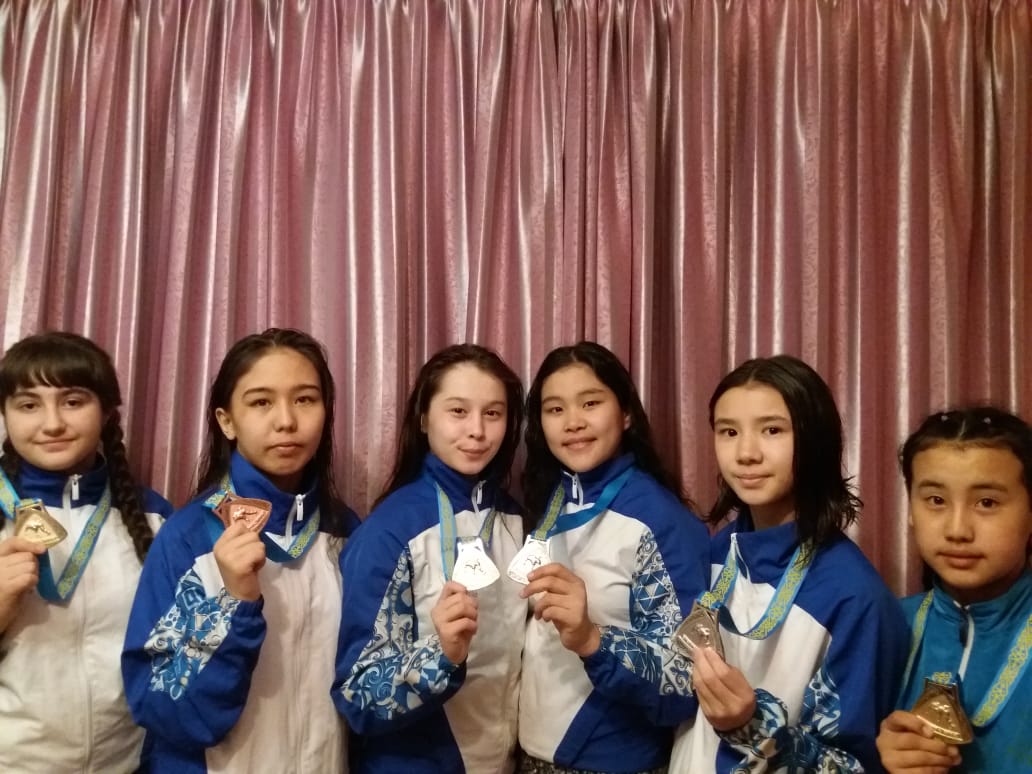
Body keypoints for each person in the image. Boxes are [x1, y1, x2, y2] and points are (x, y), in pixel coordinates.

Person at [122, 328, 359, 773]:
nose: (286, 421)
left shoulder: (345, 532)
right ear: (227, 421)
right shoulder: (189, 537)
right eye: (261, 402)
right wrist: (232, 604)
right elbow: (160, 706)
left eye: (305, 399)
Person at [671, 354, 909, 772]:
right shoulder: (719, 550)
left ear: (815, 439)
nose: (746, 453)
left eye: (772, 430)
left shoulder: (855, 597)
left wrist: (750, 726)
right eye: (729, 431)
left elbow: (853, 765)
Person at [518, 341, 709, 774]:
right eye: (555, 409)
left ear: (625, 413)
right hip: (530, 751)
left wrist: (592, 638)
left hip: (612, 760)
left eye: (590, 403)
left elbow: (686, 677)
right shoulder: (548, 501)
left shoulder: (661, 520)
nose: (573, 422)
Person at [334, 344, 526, 773]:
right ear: (423, 418)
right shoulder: (390, 530)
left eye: (493, 413)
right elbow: (358, 695)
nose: (477, 430)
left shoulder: (517, 520)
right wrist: (441, 654)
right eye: (458, 411)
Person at [0, 331, 170, 773]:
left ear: (108, 412)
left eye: (73, 401)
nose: (52, 423)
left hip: (129, 764)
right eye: (28, 405)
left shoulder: (156, 518)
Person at [877, 407, 1032, 773]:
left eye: (987, 502)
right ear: (910, 509)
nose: (957, 530)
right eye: (936, 500)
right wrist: (876, 756)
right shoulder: (885, 625)